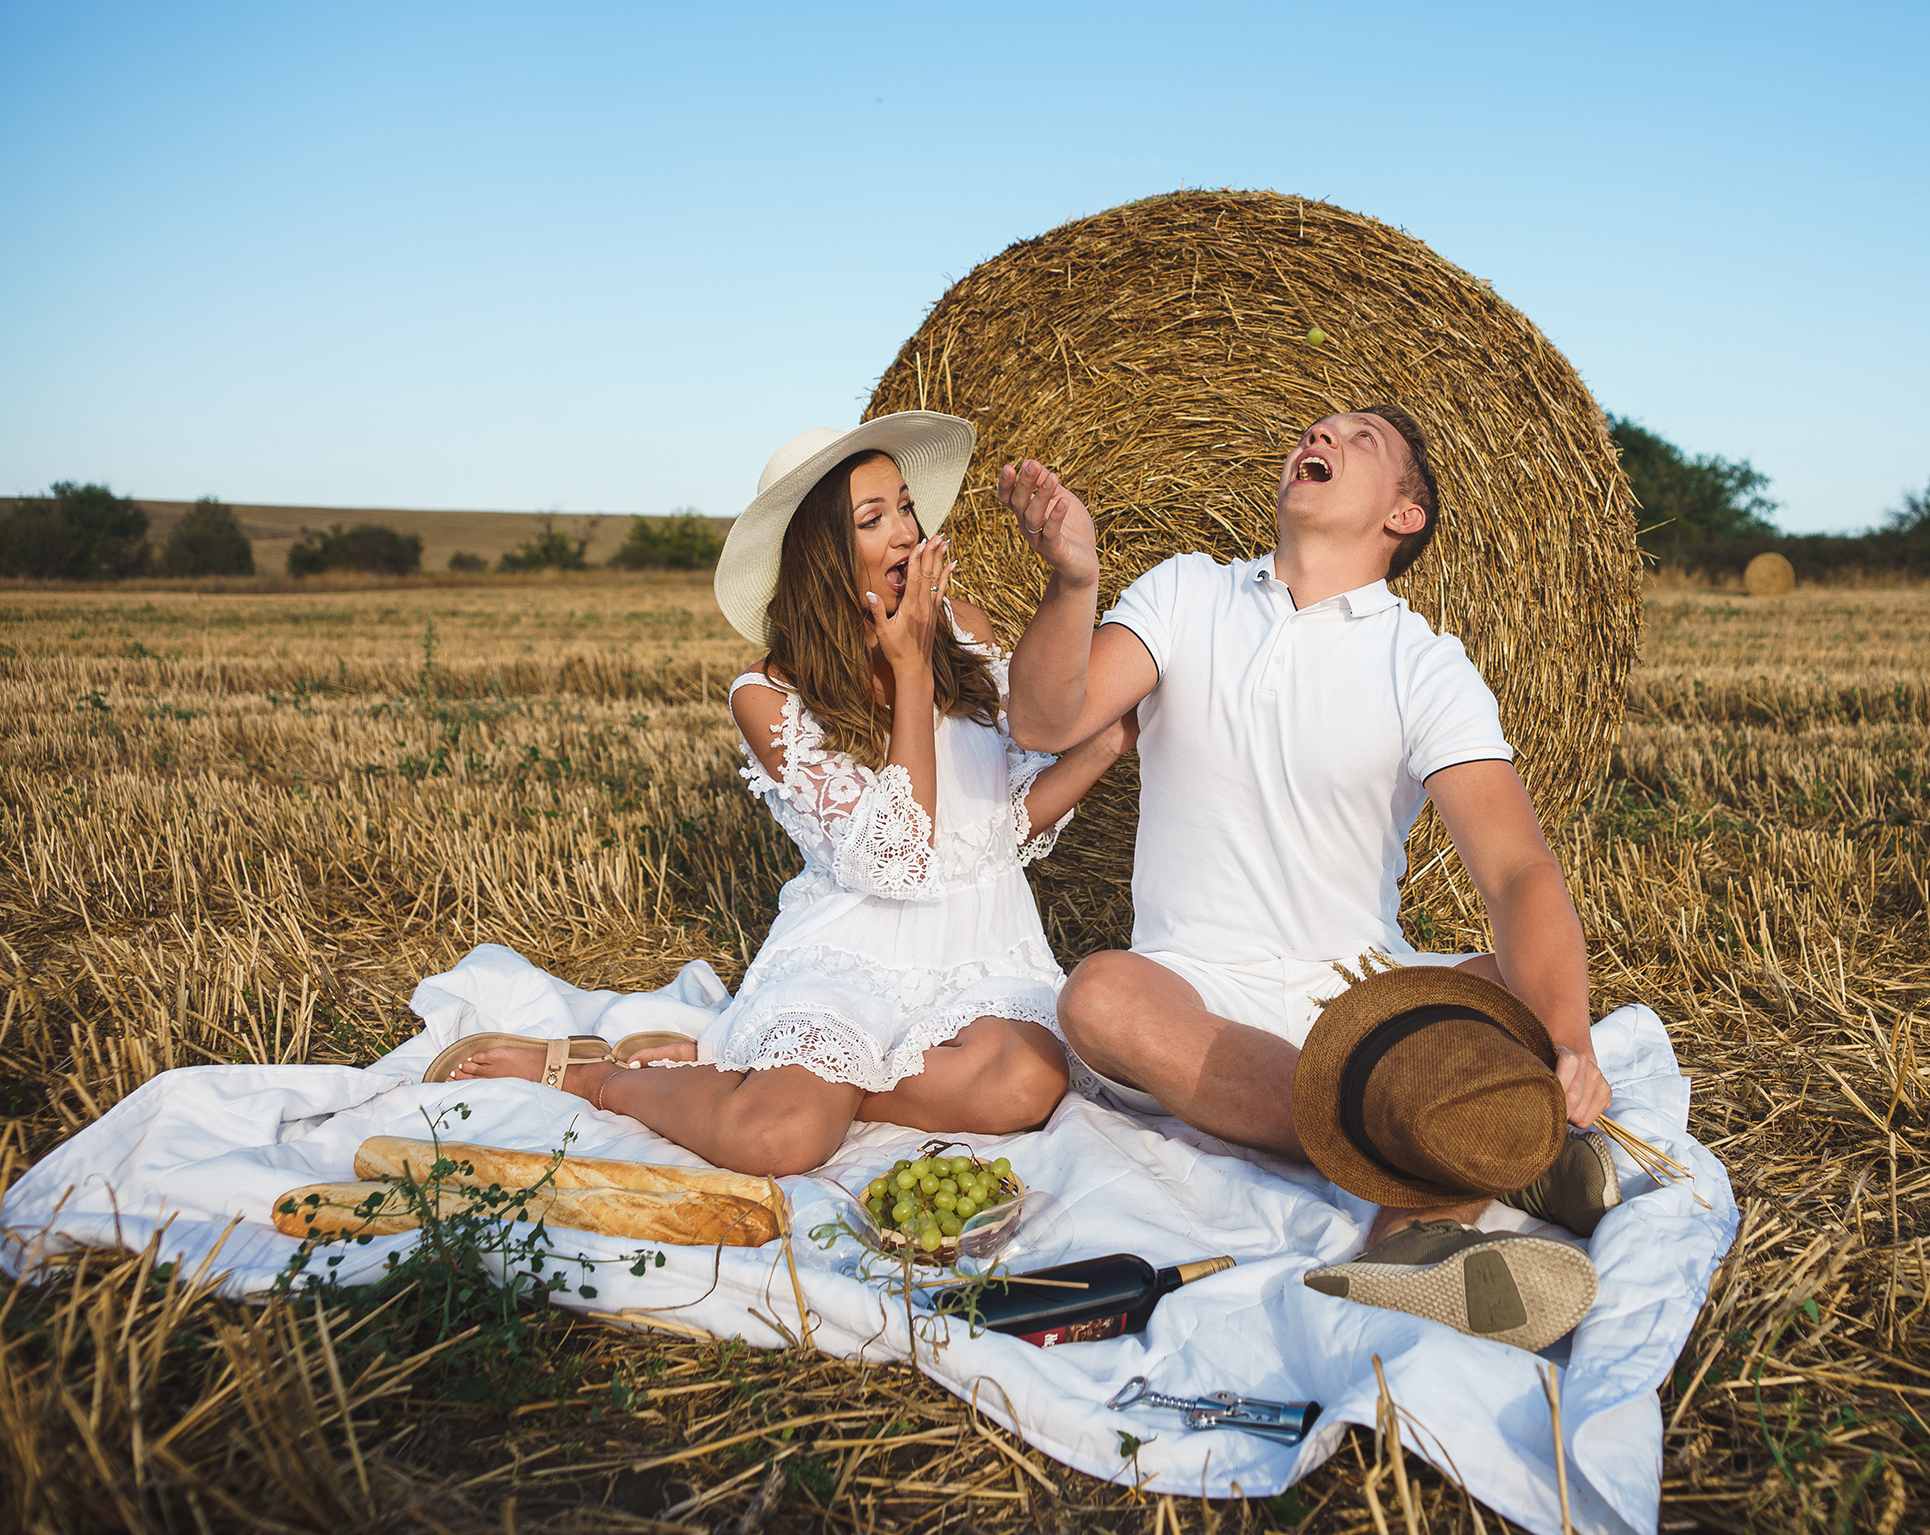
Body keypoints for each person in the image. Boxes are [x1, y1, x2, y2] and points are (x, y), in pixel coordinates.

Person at [997, 403, 1621, 1341]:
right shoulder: (1186, 593)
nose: (1319, 437)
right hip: (1194, 997)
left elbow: (1517, 871)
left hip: (1364, 998)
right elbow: (1043, 721)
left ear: (1404, 515)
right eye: (1316, 429)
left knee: (1512, 995)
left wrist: (1566, 1037)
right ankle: (1475, 1145)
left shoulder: (1425, 664)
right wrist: (1074, 579)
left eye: (1360, 438)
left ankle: (1415, 1234)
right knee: (1099, 996)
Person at [434, 414, 1130, 1179]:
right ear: (822, 553)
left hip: (979, 949)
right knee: (779, 1140)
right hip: (853, 953)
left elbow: (998, 823)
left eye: (905, 507)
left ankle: (769, 1071)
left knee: (1027, 1083)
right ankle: (601, 1078)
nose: (906, 532)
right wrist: (909, 671)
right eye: (873, 519)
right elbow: (897, 861)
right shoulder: (770, 693)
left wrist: (1103, 745)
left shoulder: (966, 631)